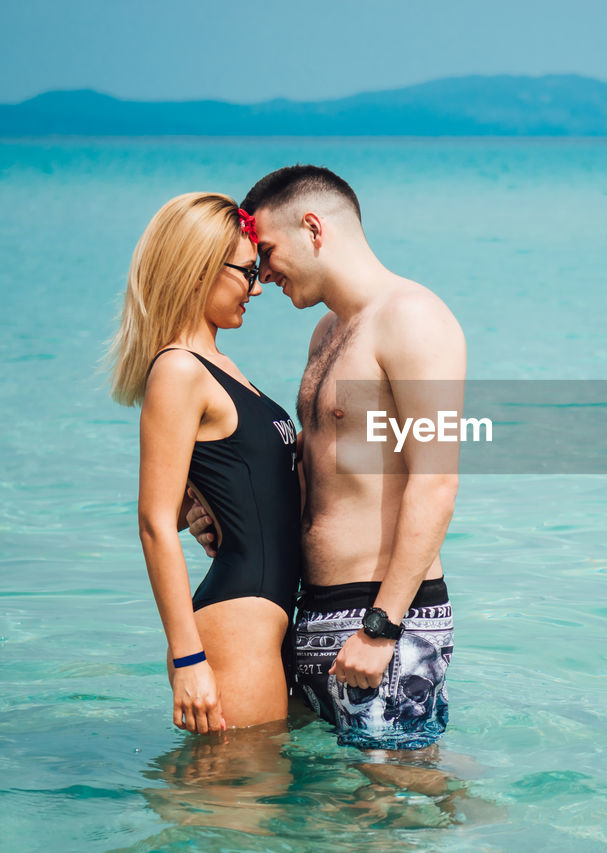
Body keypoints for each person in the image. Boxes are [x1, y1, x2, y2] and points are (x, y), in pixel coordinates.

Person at [188, 166, 465, 750]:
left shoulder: (413, 318)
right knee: (335, 809)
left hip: (379, 612)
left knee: (388, 810)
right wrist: (217, 508)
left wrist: (382, 626)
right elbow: (325, 470)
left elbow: (435, 480)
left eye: (265, 251)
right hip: (312, 610)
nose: (260, 274)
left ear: (313, 227)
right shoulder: (327, 334)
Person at [109, 192, 300, 734]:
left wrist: (201, 506)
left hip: (270, 620)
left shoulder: (222, 366)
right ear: (197, 272)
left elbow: (205, 495)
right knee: (232, 808)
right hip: (236, 626)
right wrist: (188, 660)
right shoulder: (178, 370)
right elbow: (153, 522)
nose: (258, 287)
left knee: (259, 808)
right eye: (247, 272)